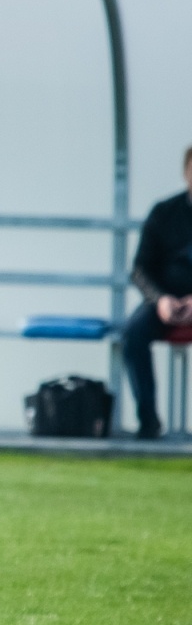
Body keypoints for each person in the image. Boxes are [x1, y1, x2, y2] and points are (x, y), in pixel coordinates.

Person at [122, 144, 192, 439]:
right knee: (133, 333)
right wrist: (161, 299)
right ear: (186, 172)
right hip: (164, 301)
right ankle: (148, 422)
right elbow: (140, 269)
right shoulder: (164, 213)